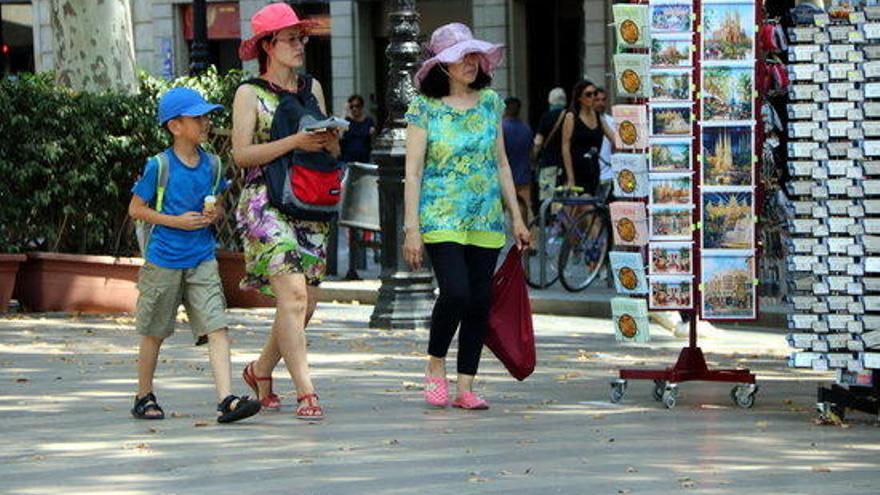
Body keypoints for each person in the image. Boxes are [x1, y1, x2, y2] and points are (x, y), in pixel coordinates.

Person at [402, 23, 530, 410]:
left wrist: (518, 218)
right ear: (443, 66)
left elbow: (503, 164)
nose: (472, 62)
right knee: (455, 292)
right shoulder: (424, 108)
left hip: (486, 217)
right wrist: (412, 229)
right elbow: (413, 172)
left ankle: (466, 386)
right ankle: (435, 362)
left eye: (475, 54)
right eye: (462, 56)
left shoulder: (491, 102)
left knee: (478, 299)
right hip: (440, 216)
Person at [128, 87, 261, 424]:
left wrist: (213, 213)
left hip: (202, 256)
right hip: (164, 259)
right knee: (154, 331)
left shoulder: (213, 165)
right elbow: (136, 209)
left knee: (217, 326)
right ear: (175, 126)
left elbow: (214, 202)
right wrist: (174, 220)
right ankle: (143, 395)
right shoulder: (159, 165)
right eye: (198, 117)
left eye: (206, 116)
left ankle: (226, 399)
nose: (206, 122)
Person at [231, 2, 337, 420]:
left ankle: (259, 371)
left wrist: (329, 140)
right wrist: (294, 142)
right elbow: (241, 155)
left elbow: (332, 149)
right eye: (291, 39)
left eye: (301, 38)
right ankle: (306, 392)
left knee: (304, 305)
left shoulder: (313, 88)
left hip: (309, 198)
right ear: (268, 46)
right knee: (291, 296)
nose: (299, 45)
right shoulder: (249, 93)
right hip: (265, 202)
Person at [561, 80, 616, 196]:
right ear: (579, 98)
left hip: (594, 170)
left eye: (594, 94)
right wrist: (570, 177)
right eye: (588, 94)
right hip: (576, 170)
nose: (593, 97)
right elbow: (565, 148)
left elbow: (614, 139)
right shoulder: (571, 117)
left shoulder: (598, 117)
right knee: (584, 207)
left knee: (591, 208)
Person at [502, 96, 534, 224]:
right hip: (523, 176)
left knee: (499, 210)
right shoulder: (526, 128)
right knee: (525, 209)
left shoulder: (501, 128)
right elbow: (531, 152)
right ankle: (528, 239)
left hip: (505, 177)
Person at [532, 87, 567, 202]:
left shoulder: (546, 117)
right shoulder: (570, 116)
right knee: (562, 197)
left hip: (549, 162)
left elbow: (538, 142)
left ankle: (548, 219)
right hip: (566, 164)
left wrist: (533, 158)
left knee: (547, 197)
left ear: (550, 101)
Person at [339, 94, 376, 164]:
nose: (354, 109)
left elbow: (373, 140)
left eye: (357, 106)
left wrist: (373, 133)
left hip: (364, 160)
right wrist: (344, 112)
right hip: (347, 160)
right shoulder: (346, 121)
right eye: (351, 106)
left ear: (362, 107)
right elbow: (340, 135)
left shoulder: (368, 121)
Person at [594, 87, 615, 201]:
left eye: (603, 100)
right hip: (592, 176)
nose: (601, 103)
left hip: (608, 175)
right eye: (597, 100)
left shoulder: (612, 122)